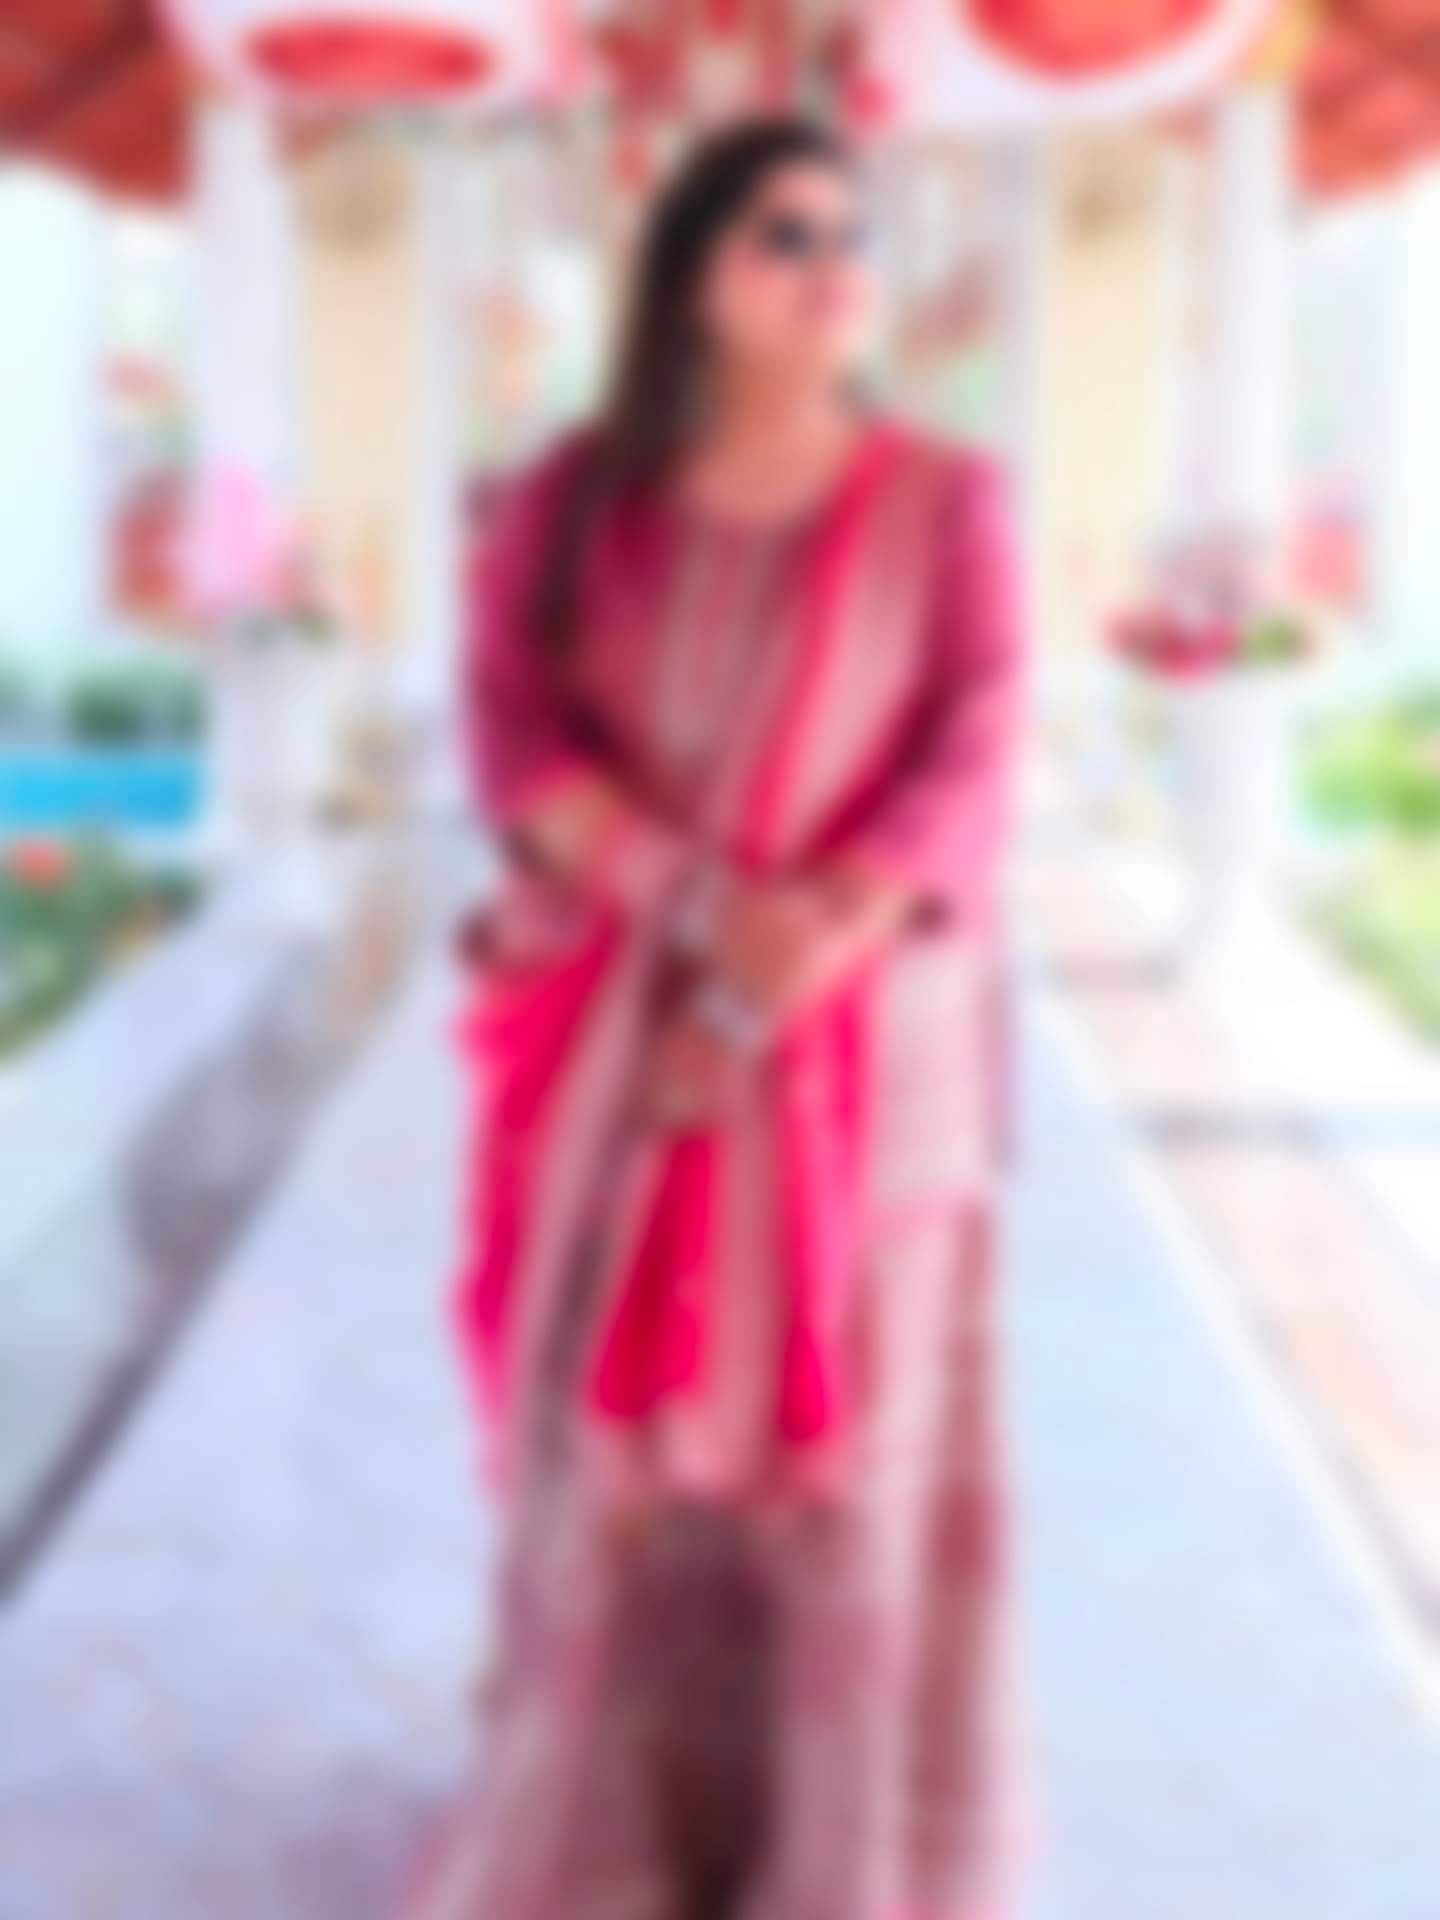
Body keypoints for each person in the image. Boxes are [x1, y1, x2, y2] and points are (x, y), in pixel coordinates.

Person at [419, 115, 1026, 1920]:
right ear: (690, 274)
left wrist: (804, 947)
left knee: (852, 1470)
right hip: (627, 1040)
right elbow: (512, 734)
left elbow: (981, 747)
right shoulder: (572, 499)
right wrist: (697, 909)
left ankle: (840, 1867)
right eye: (784, 232)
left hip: (865, 1053)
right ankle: (602, 1851)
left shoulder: (947, 503)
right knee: (609, 1459)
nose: (836, 265)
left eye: (855, 234)